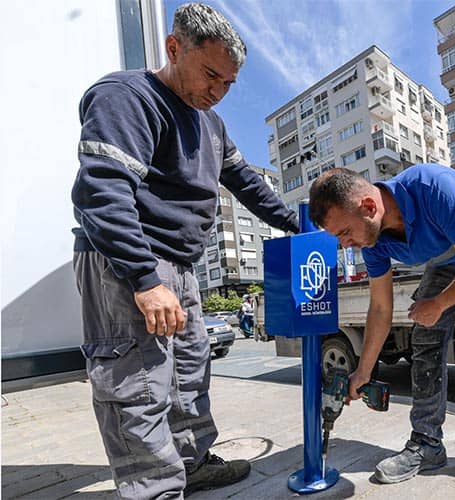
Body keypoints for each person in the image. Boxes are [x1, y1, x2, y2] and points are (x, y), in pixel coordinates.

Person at [70, 3, 299, 497]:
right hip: (129, 260)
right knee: (136, 385)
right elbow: (102, 192)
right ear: (174, 48)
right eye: (210, 75)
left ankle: (191, 464)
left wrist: (302, 224)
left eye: (228, 83)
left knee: (188, 374)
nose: (218, 92)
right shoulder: (127, 97)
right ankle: (154, 490)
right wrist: (144, 279)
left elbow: (248, 185)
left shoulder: (211, 124)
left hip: (182, 264)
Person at [308, 165, 455, 499]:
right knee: (425, 344)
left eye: (345, 233)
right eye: (339, 238)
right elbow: (380, 308)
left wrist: (438, 303)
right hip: (446, 258)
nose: (346, 245)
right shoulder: (373, 242)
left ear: (369, 206)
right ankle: (427, 444)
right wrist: (363, 371)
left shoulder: (433, 189)